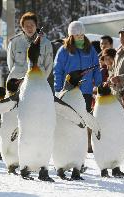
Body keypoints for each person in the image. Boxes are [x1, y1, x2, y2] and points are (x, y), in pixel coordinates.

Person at [54, 21, 102, 153]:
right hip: (68, 90)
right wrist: (58, 88)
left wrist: (98, 83)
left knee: (84, 116)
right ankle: (68, 142)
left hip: (85, 89)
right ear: (71, 36)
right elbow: (57, 70)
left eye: (82, 35)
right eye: (77, 35)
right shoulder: (64, 50)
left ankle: (86, 144)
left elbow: (96, 67)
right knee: (69, 117)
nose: (80, 37)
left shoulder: (90, 49)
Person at [7, 12, 53, 81]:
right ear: (22, 27)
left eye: (32, 25)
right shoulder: (14, 42)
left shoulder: (46, 43)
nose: (30, 28)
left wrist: (42, 81)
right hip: (18, 82)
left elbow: (48, 65)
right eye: (26, 26)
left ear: (36, 26)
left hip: (38, 82)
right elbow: (10, 63)